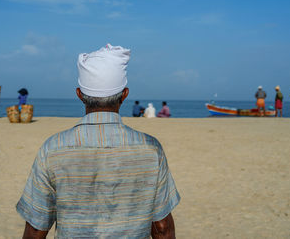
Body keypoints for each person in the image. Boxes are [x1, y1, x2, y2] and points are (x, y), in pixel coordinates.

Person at [16, 44, 180, 238]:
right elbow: (162, 227)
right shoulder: (151, 149)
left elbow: (36, 228)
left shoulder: (53, 148)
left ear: (79, 95)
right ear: (124, 95)